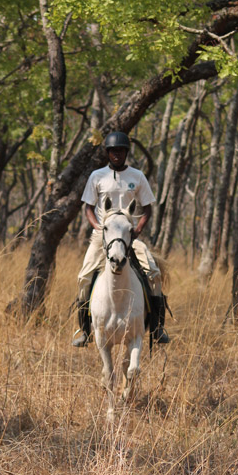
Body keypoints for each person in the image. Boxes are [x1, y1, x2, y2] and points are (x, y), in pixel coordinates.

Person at [72, 131, 170, 347]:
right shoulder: (97, 176)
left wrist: (137, 230)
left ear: (126, 152)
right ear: (108, 153)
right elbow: (88, 207)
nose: (117, 154)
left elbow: (146, 209)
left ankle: (157, 327)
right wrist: (98, 227)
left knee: (153, 273)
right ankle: (84, 330)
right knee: (84, 276)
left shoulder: (137, 176)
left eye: (121, 151)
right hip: (102, 236)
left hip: (128, 235)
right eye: (113, 151)